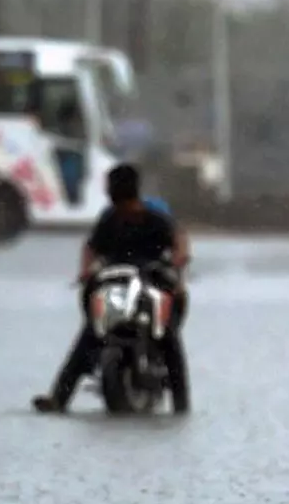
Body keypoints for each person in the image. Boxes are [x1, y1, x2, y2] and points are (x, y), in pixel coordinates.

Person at [31, 165, 191, 414]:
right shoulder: (109, 220)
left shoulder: (156, 219)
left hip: (151, 279)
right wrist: (86, 272)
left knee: (168, 336)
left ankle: (182, 403)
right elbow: (91, 248)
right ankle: (59, 398)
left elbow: (179, 240)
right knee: (91, 332)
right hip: (115, 281)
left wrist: (178, 260)